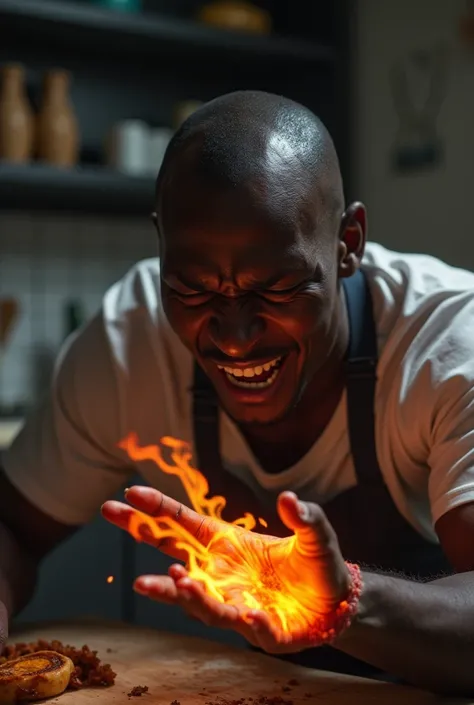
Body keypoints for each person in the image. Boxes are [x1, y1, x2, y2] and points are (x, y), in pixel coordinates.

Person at [1, 90, 474, 696]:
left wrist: (343, 603)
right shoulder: (129, 342)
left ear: (347, 242)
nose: (234, 338)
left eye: (276, 289)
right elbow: (11, 525)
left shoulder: (446, 345)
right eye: (195, 292)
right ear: (161, 243)